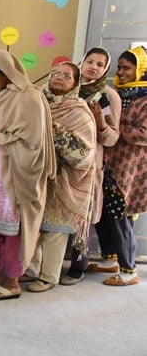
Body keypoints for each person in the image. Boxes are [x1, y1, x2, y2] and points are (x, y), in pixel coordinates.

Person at [0, 49, 56, 300]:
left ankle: (11, 281)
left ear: (7, 73)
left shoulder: (29, 97)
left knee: (11, 229)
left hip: (15, 174)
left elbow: (33, 140)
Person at [24, 62, 96, 292]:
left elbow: (84, 151)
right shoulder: (36, 102)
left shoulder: (79, 111)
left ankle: (49, 276)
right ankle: (30, 269)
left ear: (76, 83)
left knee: (54, 229)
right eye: (55, 72)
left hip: (62, 179)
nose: (59, 77)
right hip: (35, 175)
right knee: (32, 224)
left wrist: (52, 129)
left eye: (66, 75)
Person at [60, 47, 121, 285]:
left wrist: (101, 124)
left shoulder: (107, 96)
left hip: (88, 164)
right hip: (61, 160)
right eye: (90, 61)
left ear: (105, 69)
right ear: (82, 62)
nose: (93, 67)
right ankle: (46, 266)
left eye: (100, 63)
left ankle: (78, 265)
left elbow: (113, 138)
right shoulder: (67, 88)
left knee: (83, 215)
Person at [87, 45, 147, 286]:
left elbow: (143, 133)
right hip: (108, 161)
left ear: (141, 70)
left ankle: (128, 270)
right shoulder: (118, 94)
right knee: (104, 214)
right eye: (119, 68)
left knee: (121, 216)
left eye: (127, 68)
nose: (120, 73)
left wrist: (115, 126)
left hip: (129, 168)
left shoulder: (144, 99)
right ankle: (109, 259)